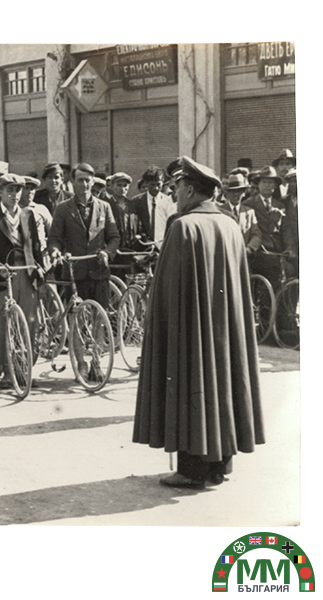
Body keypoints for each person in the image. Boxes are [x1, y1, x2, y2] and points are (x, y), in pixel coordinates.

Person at [132, 156, 264, 488]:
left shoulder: (184, 226)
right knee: (224, 383)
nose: (174, 194)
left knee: (192, 385)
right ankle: (219, 467)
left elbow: (167, 291)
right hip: (225, 329)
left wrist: (158, 324)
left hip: (191, 329)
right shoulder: (230, 225)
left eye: (177, 188)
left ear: (190, 190)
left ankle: (192, 471)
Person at [0, 174, 43, 389]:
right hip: (3, 275)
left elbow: (35, 245)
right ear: (0, 192)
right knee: (6, 322)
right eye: (10, 191)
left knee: (28, 322)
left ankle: (24, 369)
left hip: (26, 272)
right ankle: (7, 371)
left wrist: (40, 268)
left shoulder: (27, 214)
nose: (15, 195)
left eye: (18, 190)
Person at [47, 162, 120, 310]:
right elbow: (55, 238)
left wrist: (107, 253)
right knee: (76, 315)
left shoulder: (104, 207)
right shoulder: (62, 209)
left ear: (92, 182)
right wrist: (55, 251)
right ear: (73, 181)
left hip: (99, 271)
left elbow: (114, 237)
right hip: (74, 272)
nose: (84, 184)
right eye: (80, 180)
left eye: (87, 180)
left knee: (100, 315)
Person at [242, 165, 287, 284]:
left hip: (277, 250)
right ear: (258, 184)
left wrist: (288, 248)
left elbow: (285, 230)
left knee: (289, 272)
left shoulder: (280, 205)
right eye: (264, 182)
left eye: (270, 182)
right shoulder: (248, 204)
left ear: (275, 186)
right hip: (258, 252)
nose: (267, 185)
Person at [131, 166, 175, 249]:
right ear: (146, 183)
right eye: (152, 185)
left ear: (163, 182)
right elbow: (136, 225)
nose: (156, 188)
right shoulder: (136, 201)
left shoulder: (169, 201)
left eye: (158, 184)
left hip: (165, 246)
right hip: (143, 247)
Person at [217, 172, 261, 256]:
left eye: (239, 191)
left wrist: (249, 249)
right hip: (225, 255)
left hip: (245, 256)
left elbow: (256, 234)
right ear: (227, 193)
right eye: (232, 191)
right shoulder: (220, 211)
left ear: (244, 193)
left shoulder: (249, 212)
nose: (236, 194)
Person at [280, 167, 298, 275]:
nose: (293, 184)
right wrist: (290, 247)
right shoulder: (284, 201)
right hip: (290, 249)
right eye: (291, 182)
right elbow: (285, 228)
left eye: (296, 181)